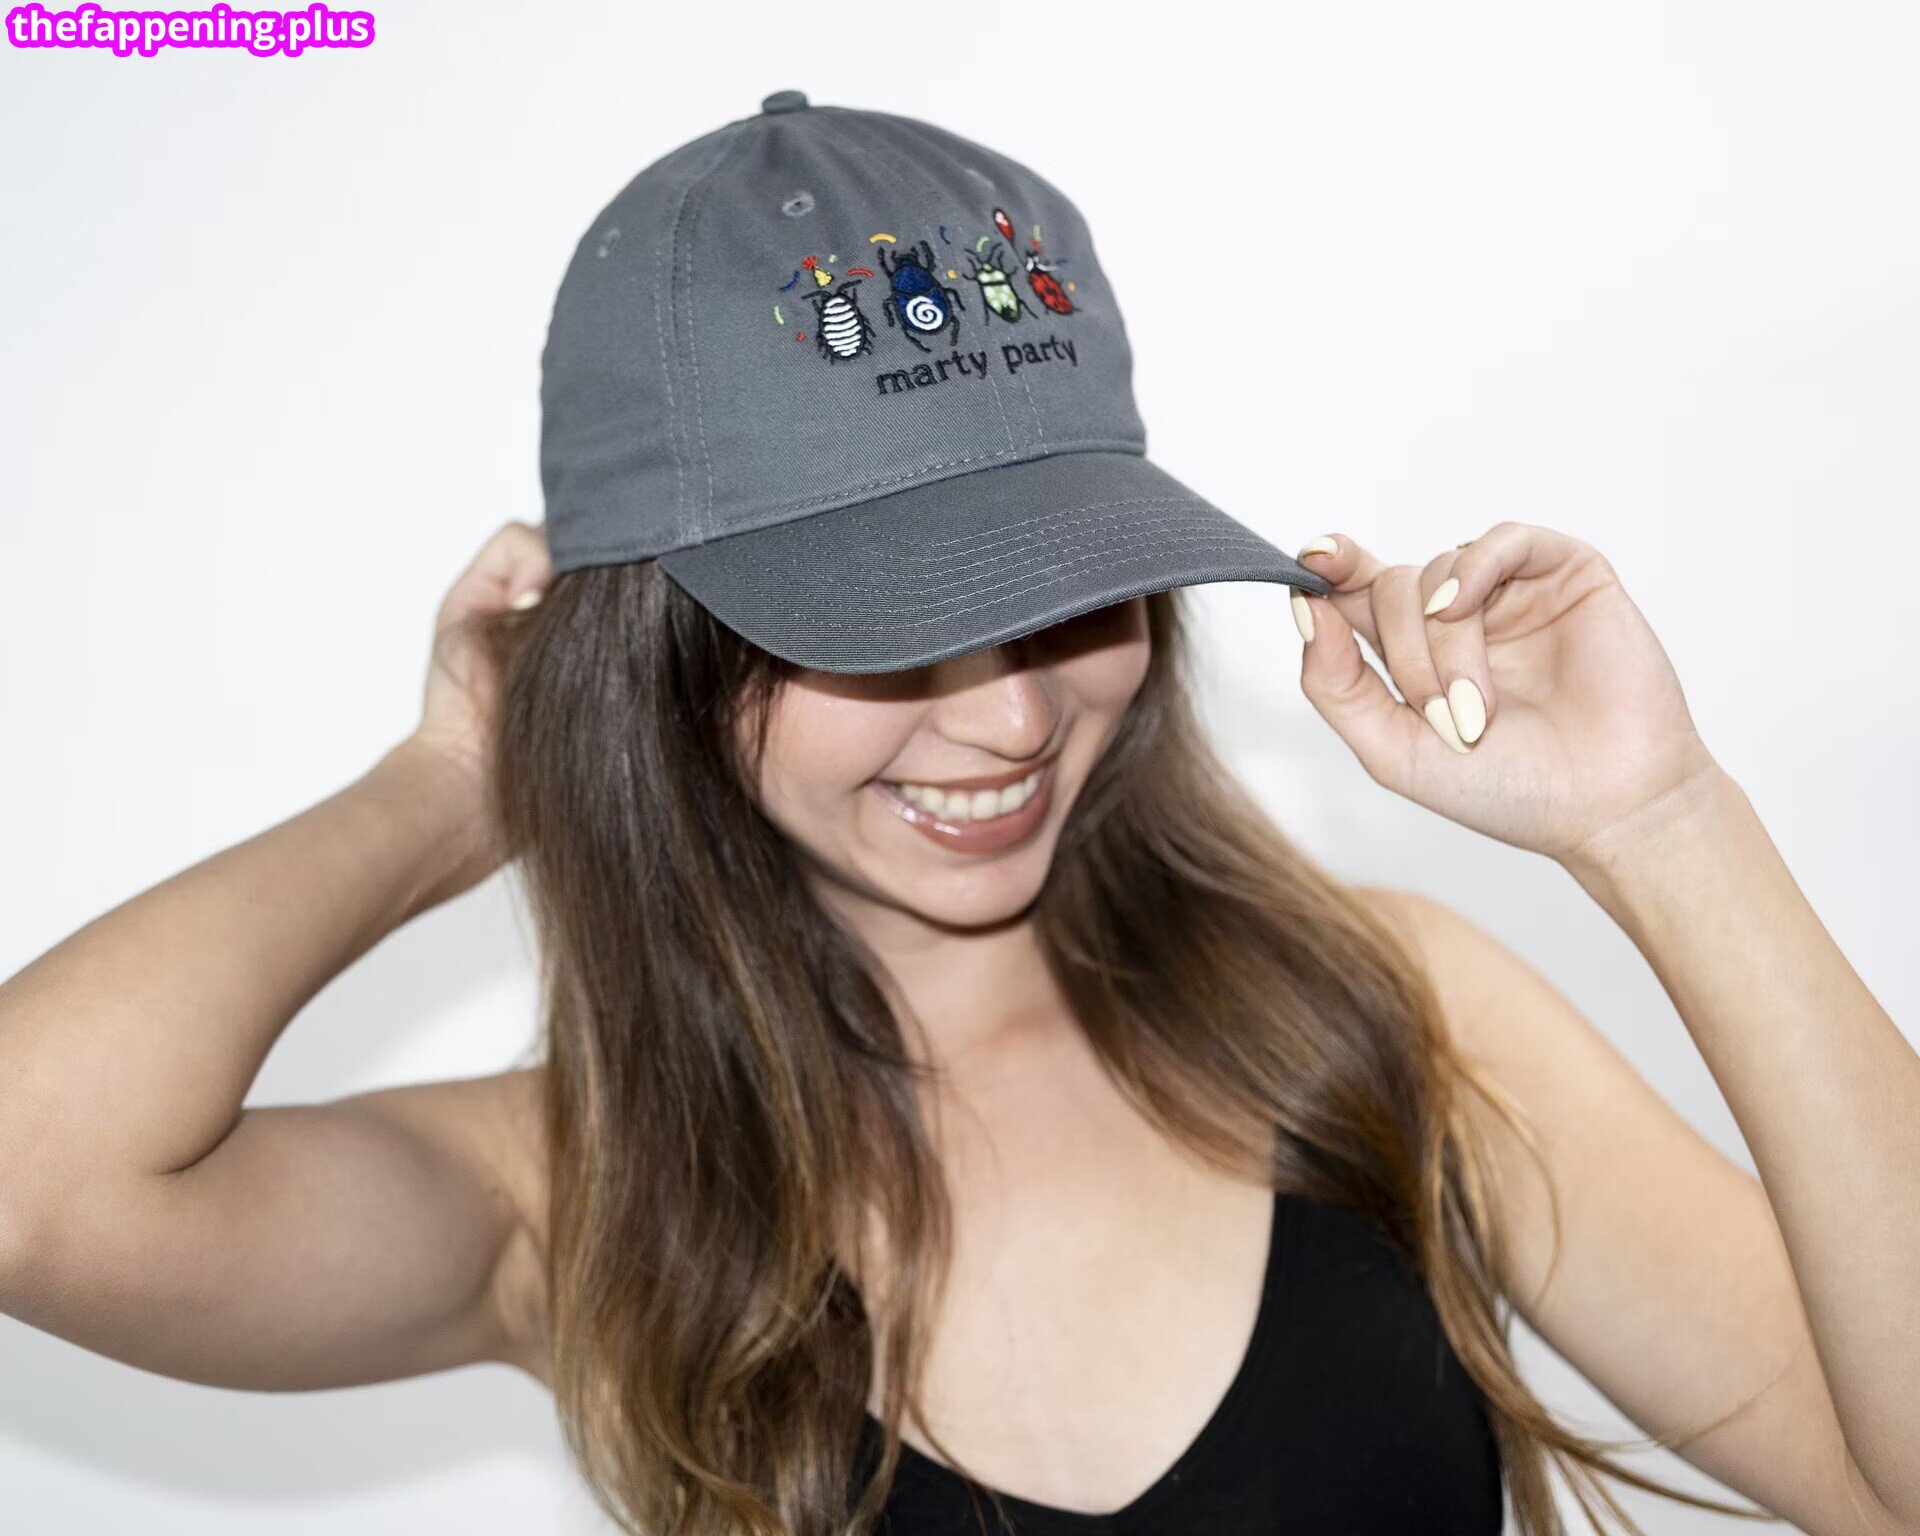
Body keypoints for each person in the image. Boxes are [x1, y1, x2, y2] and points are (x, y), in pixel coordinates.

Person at [2, 91, 1916, 1536]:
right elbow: (33, 1186)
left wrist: (1663, 823)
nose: (1009, 715)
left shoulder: (1381, 1013)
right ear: (661, 656)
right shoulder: (580, 1193)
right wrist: (450, 786)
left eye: (1067, 595)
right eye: (880, 632)